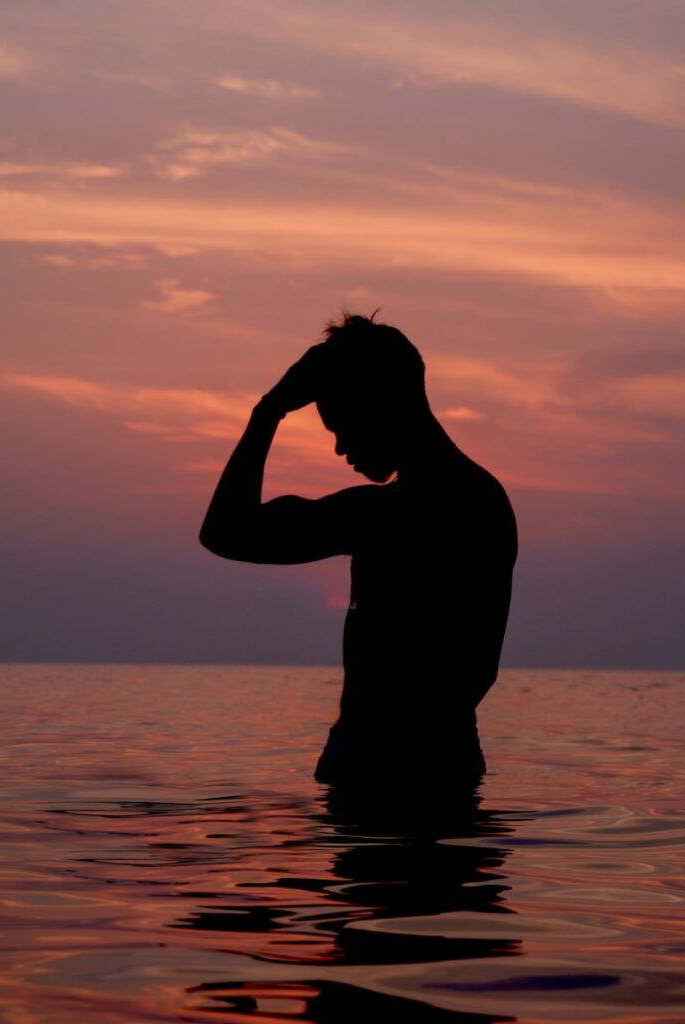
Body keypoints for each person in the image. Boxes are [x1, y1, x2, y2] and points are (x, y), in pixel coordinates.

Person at [200, 314, 517, 786]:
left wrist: (268, 411)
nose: (339, 448)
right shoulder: (486, 502)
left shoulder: (383, 516)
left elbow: (225, 531)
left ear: (379, 404)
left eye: (340, 425)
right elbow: (477, 675)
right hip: (446, 767)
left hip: (380, 773)